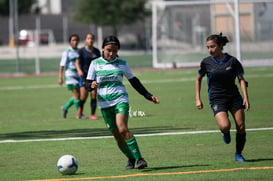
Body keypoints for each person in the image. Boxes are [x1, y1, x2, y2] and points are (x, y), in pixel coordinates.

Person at [86, 35, 160, 169]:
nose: (111, 53)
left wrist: (147, 95)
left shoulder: (122, 63)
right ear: (102, 48)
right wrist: (91, 85)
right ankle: (130, 158)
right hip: (104, 104)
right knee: (118, 136)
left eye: (115, 51)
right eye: (109, 50)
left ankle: (140, 159)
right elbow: (87, 83)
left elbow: (134, 81)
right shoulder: (95, 63)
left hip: (120, 99)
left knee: (122, 128)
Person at [195, 33, 250, 162]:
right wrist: (198, 98)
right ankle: (225, 132)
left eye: (212, 46)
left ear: (220, 46)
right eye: (208, 47)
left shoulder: (233, 61)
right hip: (216, 98)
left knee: (241, 127)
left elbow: (241, 80)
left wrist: (246, 97)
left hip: (234, 97)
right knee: (225, 126)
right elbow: (198, 79)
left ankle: (238, 154)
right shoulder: (206, 62)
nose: (210, 50)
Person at [76, 33, 101, 120]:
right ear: (85, 40)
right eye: (88, 38)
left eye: (92, 38)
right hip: (84, 76)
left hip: (94, 77)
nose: (90, 40)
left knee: (94, 94)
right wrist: (79, 70)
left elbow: (100, 63)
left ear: (94, 40)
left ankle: (92, 114)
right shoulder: (81, 51)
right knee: (83, 96)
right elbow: (77, 63)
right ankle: (80, 111)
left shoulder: (97, 52)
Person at [58, 34, 81, 119]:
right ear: (69, 42)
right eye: (73, 40)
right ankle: (79, 114)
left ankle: (65, 108)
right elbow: (62, 66)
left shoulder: (80, 51)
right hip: (70, 75)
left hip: (79, 76)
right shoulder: (66, 52)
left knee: (77, 96)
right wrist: (60, 77)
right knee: (77, 94)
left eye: (76, 40)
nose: (75, 42)